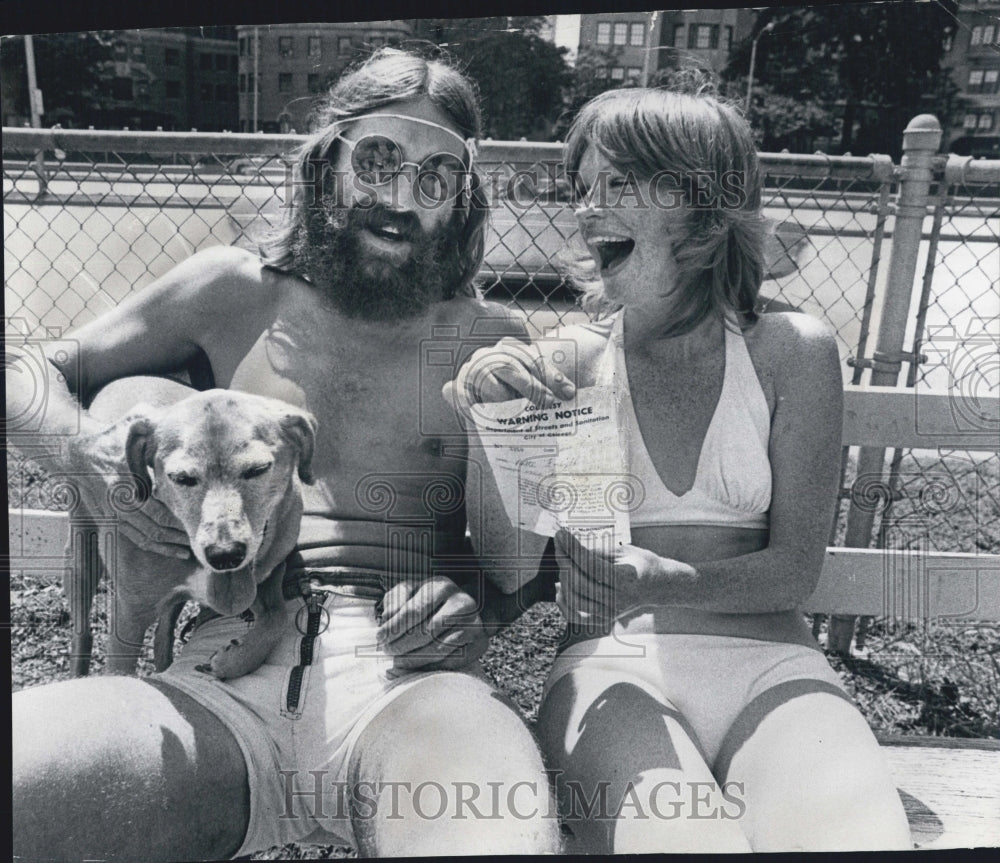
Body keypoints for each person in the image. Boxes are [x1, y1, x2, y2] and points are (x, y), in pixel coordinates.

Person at [9, 49, 561, 861]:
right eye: (379, 159)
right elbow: (26, 368)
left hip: (413, 690)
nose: (401, 199)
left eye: (437, 177)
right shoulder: (234, 290)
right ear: (328, 163)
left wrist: (481, 601)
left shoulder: (494, 346)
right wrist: (79, 447)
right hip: (217, 675)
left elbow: (543, 560)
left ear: (462, 201)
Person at [445, 81, 912, 853]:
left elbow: (793, 570)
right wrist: (490, 425)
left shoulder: (792, 350)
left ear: (704, 203)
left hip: (778, 668)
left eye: (619, 183)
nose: (589, 207)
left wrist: (660, 580)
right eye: (583, 186)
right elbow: (510, 560)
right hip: (614, 671)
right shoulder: (571, 361)